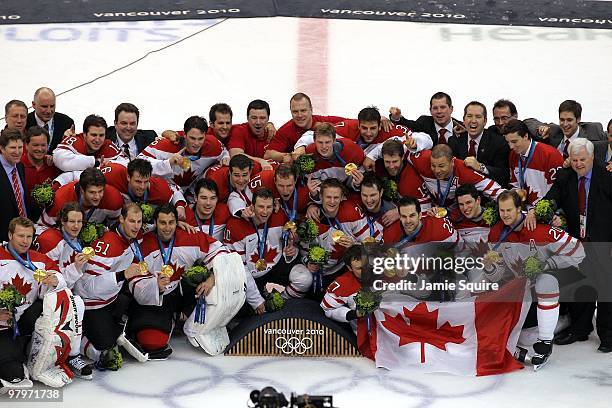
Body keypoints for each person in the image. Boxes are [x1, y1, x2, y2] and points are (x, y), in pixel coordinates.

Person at [485, 190, 585, 369]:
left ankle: (546, 340)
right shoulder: (495, 232)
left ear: (519, 209)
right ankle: (549, 323)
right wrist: (491, 267)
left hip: (556, 277)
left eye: (509, 210)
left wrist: (547, 264)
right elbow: (498, 274)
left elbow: (579, 251)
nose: (505, 215)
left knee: (545, 281)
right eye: (502, 211)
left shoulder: (540, 229)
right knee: (521, 335)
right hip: (525, 287)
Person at [126, 204, 230, 359]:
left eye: (171, 222)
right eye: (162, 223)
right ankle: (171, 318)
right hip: (156, 299)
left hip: (182, 291)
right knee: (152, 342)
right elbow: (134, 281)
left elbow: (222, 253)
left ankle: (185, 314)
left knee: (216, 280)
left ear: (177, 222)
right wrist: (156, 286)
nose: (167, 228)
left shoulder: (189, 236)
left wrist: (212, 278)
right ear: (155, 222)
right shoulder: (142, 244)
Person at [544, 138, 612, 352]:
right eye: (574, 160)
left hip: (603, 241)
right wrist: (545, 211)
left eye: (582, 159)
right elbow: (551, 198)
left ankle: (608, 334)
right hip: (577, 243)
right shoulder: (565, 177)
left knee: (606, 290)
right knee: (581, 286)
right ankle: (580, 329)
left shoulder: (607, 178)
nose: (578, 164)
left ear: (592, 157)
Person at [0, 217, 73, 388]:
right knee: (14, 375)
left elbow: (60, 279)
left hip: (23, 323)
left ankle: (39, 352)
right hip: (2, 328)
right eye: (20, 236)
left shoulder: (39, 259)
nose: (25, 241)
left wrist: (55, 280)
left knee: (61, 298)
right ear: (10, 235)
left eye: (29, 237)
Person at [74, 203, 146, 370]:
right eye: (132, 221)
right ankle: (78, 335)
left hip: (111, 299)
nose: (136, 226)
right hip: (91, 305)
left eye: (139, 221)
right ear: (121, 219)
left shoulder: (128, 237)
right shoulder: (107, 245)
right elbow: (86, 286)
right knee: (106, 346)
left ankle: (114, 329)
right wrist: (123, 275)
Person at [35, 202, 95, 379]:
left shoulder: (79, 241)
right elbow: (51, 282)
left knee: (78, 301)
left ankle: (73, 353)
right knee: (77, 303)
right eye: (71, 222)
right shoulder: (53, 242)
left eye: (79, 222)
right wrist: (75, 268)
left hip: (68, 293)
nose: (76, 226)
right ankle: (71, 355)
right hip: (46, 296)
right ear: (62, 222)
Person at [225, 188, 313, 307]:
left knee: (304, 279)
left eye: (269, 207)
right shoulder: (235, 225)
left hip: (275, 267)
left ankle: (282, 304)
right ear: (252, 206)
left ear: (274, 206)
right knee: (240, 307)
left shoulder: (280, 216)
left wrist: (291, 251)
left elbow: (291, 241)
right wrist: (256, 301)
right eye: (261, 207)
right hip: (250, 274)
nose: (265, 212)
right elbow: (238, 268)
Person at [502, 119, 563, 228]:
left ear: (526, 136)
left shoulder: (550, 155)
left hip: (548, 215)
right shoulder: (513, 155)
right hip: (526, 214)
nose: (511, 146)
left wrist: (545, 212)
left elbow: (559, 191)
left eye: (514, 141)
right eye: (508, 142)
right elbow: (514, 183)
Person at [139, 115, 226, 192]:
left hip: (188, 196)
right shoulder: (167, 144)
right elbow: (136, 165)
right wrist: (168, 163)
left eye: (200, 138)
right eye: (192, 138)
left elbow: (224, 153)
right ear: (184, 134)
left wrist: (226, 158)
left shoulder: (213, 145)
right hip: (161, 193)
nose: (196, 143)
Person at [406, 144, 503, 211]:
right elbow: (401, 149)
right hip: (427, 205)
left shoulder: (465, 172)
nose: (436, 170)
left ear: (452, 162)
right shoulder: (422, 160)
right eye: (433, 165)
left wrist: (514, 201)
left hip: (455, 211)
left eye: (441, 166)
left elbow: (495, 190)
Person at [264, 92, 347, 163]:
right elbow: (268, 154)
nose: (299, 115)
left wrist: (329, 127)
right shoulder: (286, 130)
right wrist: (288, 156)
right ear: (290, 112)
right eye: (295, 111)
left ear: (311, 110)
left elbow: (353, 123)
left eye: (303, 110)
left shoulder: (324, 121)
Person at [37, 167, 123, 233]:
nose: (97, 196)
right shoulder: (60, 200)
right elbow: (41, 228)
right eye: (92, 192)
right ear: (82, 190)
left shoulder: (113, 198)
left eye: (100, 191)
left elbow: (114, 227)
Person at [99, 159, 187, 221]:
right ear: (128, 177)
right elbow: (89, 178)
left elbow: (175, 189)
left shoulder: (159, 189)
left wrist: (180, 205)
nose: (142, 187)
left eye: (146, 182)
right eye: (138, 181)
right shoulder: (113, 174)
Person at [447, 101, 510, 186]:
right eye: (469, 116)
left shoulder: (499, 142)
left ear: (485, 121)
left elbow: (503, 175)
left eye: (478, 117)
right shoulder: (454, 141)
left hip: (488, 194)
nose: (473, 121)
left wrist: (481, 167)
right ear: (464, 120)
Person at [525, 100, 607, 161]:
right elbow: (528, 122)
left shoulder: (593, 131)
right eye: (562, 120)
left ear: (578, 119)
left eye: (569, 120)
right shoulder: (553, 130)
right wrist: (540, 128)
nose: (564, 124)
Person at [227, 163, 312, 219]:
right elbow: (235, 196)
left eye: (289, 185)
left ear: (295, 181)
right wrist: (241, 210)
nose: (285, 191)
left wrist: (312, 205)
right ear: (274, 180)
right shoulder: (262, 181)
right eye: (281, 186)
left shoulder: (305, 185)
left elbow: (322, 196)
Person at [389, 91, 463, 145]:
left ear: (451, 109)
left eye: (443, 107)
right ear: (430, 110)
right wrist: (396, 116)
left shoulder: (462, 128)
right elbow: (406, 123)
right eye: (435, 108)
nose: (439, 111)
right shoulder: (424, 122)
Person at [53, 114, 120, 172]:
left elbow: (125, 164)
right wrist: (96, 162)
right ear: (84, 134)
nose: (97, 140)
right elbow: (61, 161)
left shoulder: (108, 145)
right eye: (94, 135)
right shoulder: (74, 140)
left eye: (101, 135)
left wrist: (110, 163)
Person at [321, 245, 365, 331]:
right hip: (364, 333)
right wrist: (353, 314)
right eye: (360, 268)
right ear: (350, 268)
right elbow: (327, 309)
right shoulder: (342, 284)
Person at [228, 99, 275, 170]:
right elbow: (235, 156)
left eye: (262, 118)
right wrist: (261, 161)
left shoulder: (272, 132)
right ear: (247, 118)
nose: (258, 122)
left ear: (268, 118)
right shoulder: (239, 130)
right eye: (254, 118)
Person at [0, 128, 29, 242]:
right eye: (13, 147)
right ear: (2, 148)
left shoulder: (20, 167)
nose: (17, 152)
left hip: (23, 236)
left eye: (20, 147)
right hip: (4, 238)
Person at [26, 87, 74, 152]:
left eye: (52, 106)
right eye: (44, 106)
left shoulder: (66, 122)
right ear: (34, 105)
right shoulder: (25, 122)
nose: (49, 111)